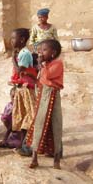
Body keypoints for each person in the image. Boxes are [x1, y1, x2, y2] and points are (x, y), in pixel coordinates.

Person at [27, 39, 64, 169]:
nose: (40, 53)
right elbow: (39, 80)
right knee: (39, 124)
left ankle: (56, 160)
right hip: (43, 97)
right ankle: (34, 157)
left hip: (52, 97)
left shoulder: (57, 64)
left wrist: (41, 65)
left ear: (53, 53)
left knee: (56, 125)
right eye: (40, 50)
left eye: (44, 50)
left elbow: (48, 76)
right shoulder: (44, 65)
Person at [9, 28, 37, 156]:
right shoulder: (20, 53)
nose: (11, 41)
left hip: (26, 90)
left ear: (22, 39)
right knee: (21, 116)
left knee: (28, 117)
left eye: (14, 38)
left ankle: (28, 145)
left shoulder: (24, 54)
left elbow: (20, 71)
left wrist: (13, 59)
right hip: (21, 89)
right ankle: (22, 145)